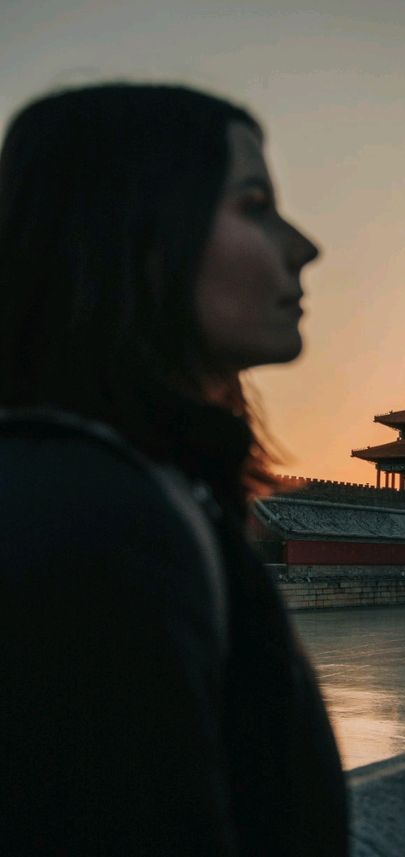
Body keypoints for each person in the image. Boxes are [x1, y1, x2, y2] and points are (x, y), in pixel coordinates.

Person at [0, 83, 348, 856]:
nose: (302, 246)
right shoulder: (93, 522)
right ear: (142, 231)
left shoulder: (144, 489)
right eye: (254, 204)